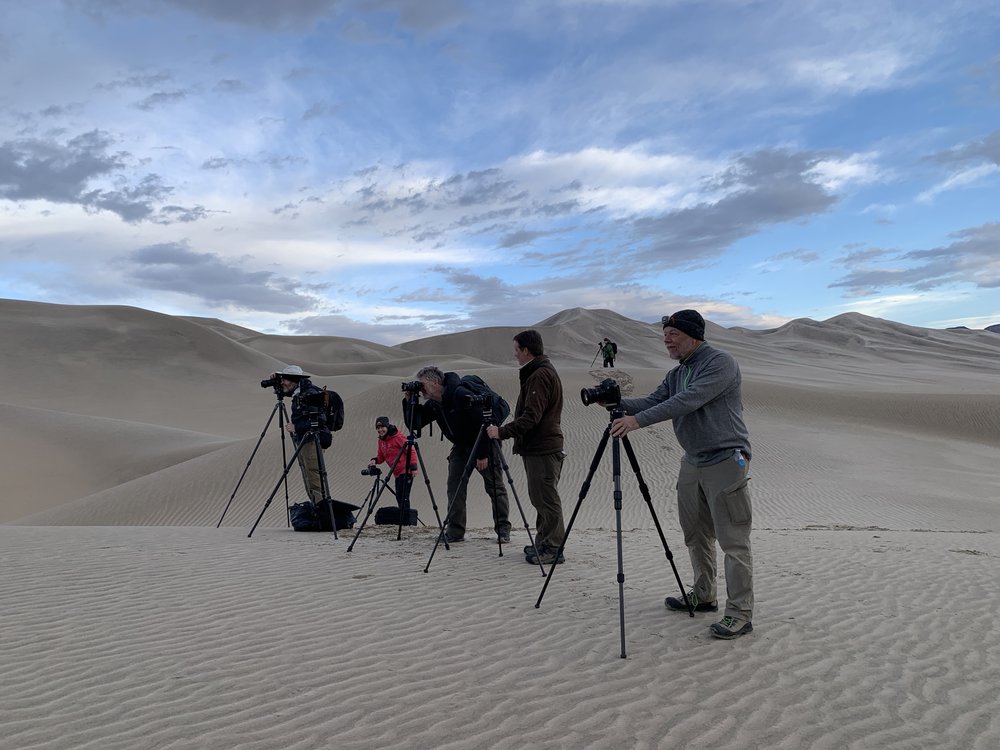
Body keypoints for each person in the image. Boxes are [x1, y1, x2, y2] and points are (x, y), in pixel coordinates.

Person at [608, 309, 754, 640]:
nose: (667, 339)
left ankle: (740, 613)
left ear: (692, 335)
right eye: (665, 334)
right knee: (696, 533)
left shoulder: (719, 363)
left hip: (725, 460)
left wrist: (638, 421)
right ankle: (704, 596)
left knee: (733, 540)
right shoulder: (678, 372)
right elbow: (656, 399)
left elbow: (689, 401)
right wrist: (616, 402)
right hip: (693, 461)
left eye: (673, 334)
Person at [406, 366, 512, 544]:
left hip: (482, 443)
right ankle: (455, 532)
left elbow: (485, 420)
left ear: (435, 382)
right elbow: (414, 423)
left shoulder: (459, 394)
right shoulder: (435, 403)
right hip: (461, 447)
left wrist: (483, 454)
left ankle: (503, 530)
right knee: (454, 487)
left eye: (422, 384)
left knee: (495, 487)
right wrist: (409, 400)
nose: (420, 388)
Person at [487, 330, 566, 565]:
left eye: (516, 351)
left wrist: (501, 431)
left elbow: (531, 417)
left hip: (543, 447)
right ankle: (544, 541)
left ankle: (553, 547)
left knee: (546, 497)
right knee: (539, 497)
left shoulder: (540, 375)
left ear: (526, 350)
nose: (515, 356)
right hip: (538, 446)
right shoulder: (539, 372)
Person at [280, 365, 332, 504]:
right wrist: (274, 380)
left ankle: (322, 509)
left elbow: (320, 420)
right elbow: (282, 391)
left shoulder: (309, 393)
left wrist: (296, 427)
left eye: (284, 380)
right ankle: (317, 507)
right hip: (304, 440)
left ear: (293, 380)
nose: (282, 383)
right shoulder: (298, 392)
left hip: (312, 440)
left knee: (314, 475)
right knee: (308, 474)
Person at [369, 416, 417, 512]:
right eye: (378, 428)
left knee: (403, 496)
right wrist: (374, 460)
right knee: (399, 496)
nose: (380, 430)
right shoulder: (381, 441)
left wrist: (414, 467)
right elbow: (381, 457)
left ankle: (406, 520)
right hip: (396, 473)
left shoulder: (397, 437)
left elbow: (411, 450)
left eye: (382, 427)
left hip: (406, 470)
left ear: (387, 426)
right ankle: (403, 519)